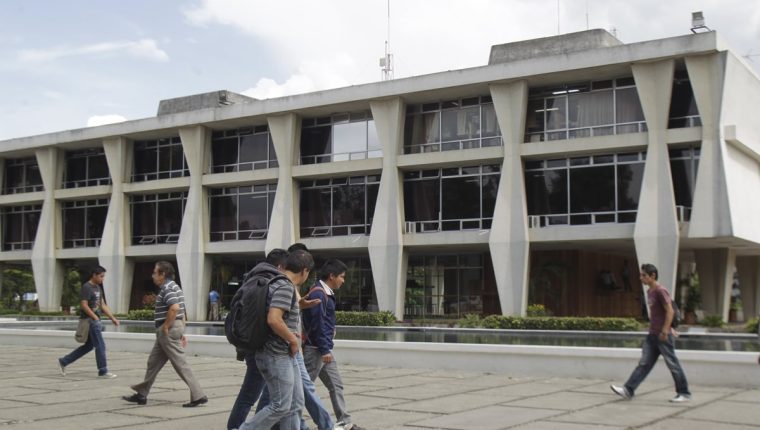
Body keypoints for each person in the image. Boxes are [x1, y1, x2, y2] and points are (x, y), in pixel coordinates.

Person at [239, 250, 313, 430]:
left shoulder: (279, 283)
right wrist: (293, 340)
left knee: (295, 404)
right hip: (275, 354)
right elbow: (274, 319)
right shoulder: (285, 286)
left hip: (285, 354)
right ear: (304, 271)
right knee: (280, 405)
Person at [123, 261, 207, 407]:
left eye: (155, 272)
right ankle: (142, 395)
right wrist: (181, 331)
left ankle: (198, 395)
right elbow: (182, 311)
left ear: (162, 274)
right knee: (153, 362)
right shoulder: (175, 287)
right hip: (174, 327)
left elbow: (174, 308)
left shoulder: (167, 288)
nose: (153, 275)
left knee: (181, 364)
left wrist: (166, 327)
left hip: (167, 329)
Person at [611, 263, 691, 403]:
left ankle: (684, 393)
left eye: (643, 275)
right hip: (652, 335)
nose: (641, 277)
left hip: (662, 335)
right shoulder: (649, 291)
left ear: (652, 276)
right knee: (644, 364)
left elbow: (670, 311)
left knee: (672, 364)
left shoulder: (661, 290)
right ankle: (628, 390)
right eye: (641, 275)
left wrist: (666, 330)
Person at [302, 259, 364, 430]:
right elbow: (318, 324)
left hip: (323, 349)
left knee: (335, 384)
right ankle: (288, 420)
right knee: (303, 388)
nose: (343, 281)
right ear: (332, 276)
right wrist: (324, 349)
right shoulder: (319, 293)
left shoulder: (325, 293)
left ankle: (345, 421)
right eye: (342, 277)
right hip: (316, 350)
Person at [58, 266, 119, 378]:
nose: (102, 278)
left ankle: (64, 361)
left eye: (103, 276)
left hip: (95, 320)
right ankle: (103, 371)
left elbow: (102, 305)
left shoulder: (98, 288)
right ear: (94, 275)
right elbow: (83, 304)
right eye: (101, 276)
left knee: (89, 346)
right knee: (100, 345)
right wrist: (95, 317)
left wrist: (112, 318)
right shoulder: (86, 287)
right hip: (90, 321)